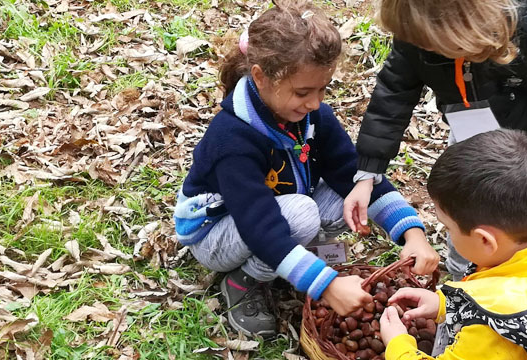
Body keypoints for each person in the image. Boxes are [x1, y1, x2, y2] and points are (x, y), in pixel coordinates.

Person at [172, 0, 438, 339]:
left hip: (279, 205)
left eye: (322, 89)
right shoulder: (233, 140)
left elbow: (351, 173)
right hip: (216, 232)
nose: (315, 102)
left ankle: (290, 262)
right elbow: (259, 224)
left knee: (355, 195)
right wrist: (325, 285)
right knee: (300, 215)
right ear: (261, 78)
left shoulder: (312, 117)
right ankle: (244, 281)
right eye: (303, 92)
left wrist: (412, 234)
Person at [345, 0, 527, 278]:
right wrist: (369, 172)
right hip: (472, 137)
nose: (423, 49)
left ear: (464, 26)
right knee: (464, 212)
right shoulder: (417, 31)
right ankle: (464, 281)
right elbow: (392, 96)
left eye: (431, 45)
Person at [378, 129, 527, 359]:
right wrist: (445, 305)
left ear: (485, 240)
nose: (447, 232)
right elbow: (519, 291)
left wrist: (399, 346)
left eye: (448, 227)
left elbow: (499, 308)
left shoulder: (490, 333)